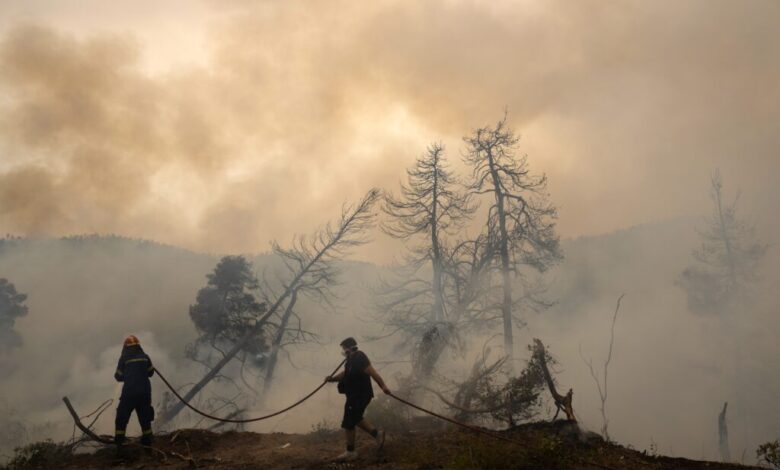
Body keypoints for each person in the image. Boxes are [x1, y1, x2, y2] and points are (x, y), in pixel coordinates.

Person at [325, 337, 390, 462]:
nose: (343, 351)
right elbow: (345, 374)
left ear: (349, 348)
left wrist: (383, 387)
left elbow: (372, 372)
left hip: (360, 395)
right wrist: (332, 379)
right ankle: (377, 435)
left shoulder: (359, 357)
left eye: (344, 348)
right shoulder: (350, 360)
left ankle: (350, 452)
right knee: (355, 418)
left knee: (349, 421)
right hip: (354, 395)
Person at [114, 335, 155, 450]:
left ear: (126, 347)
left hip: (129, 393)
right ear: (138, 346)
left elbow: (118, 376)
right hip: (145, 393)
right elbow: (151, 373)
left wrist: (129, 376)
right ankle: (148, 444)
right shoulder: (145, 357)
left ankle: (119, 444)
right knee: (145, 418)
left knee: (122, 417)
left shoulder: (124, 358)